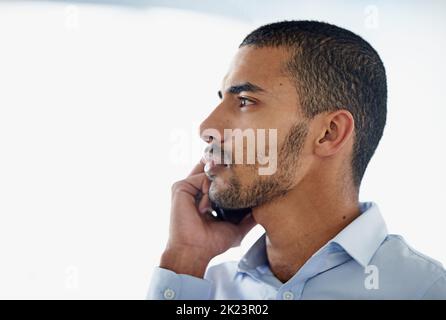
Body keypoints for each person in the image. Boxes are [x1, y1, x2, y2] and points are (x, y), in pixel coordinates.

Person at [148, 20, 446, 299]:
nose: (205, 128)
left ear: (329, 133)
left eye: (245, 101)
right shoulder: (198, 286)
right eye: (221, 99)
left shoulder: (424, 290)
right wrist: (186, 255)